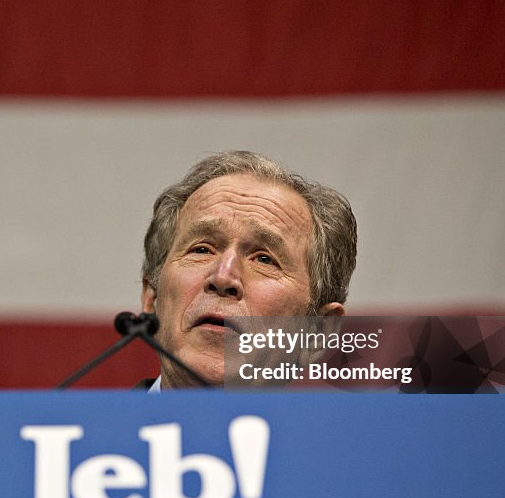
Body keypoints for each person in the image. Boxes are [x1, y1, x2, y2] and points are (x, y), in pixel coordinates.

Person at [137, 150, 357, 390]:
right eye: (201, 250)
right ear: (152, 300)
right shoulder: (93, 428)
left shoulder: (365, 429)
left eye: (264, 259)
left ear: (317, 330)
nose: (223, 277)